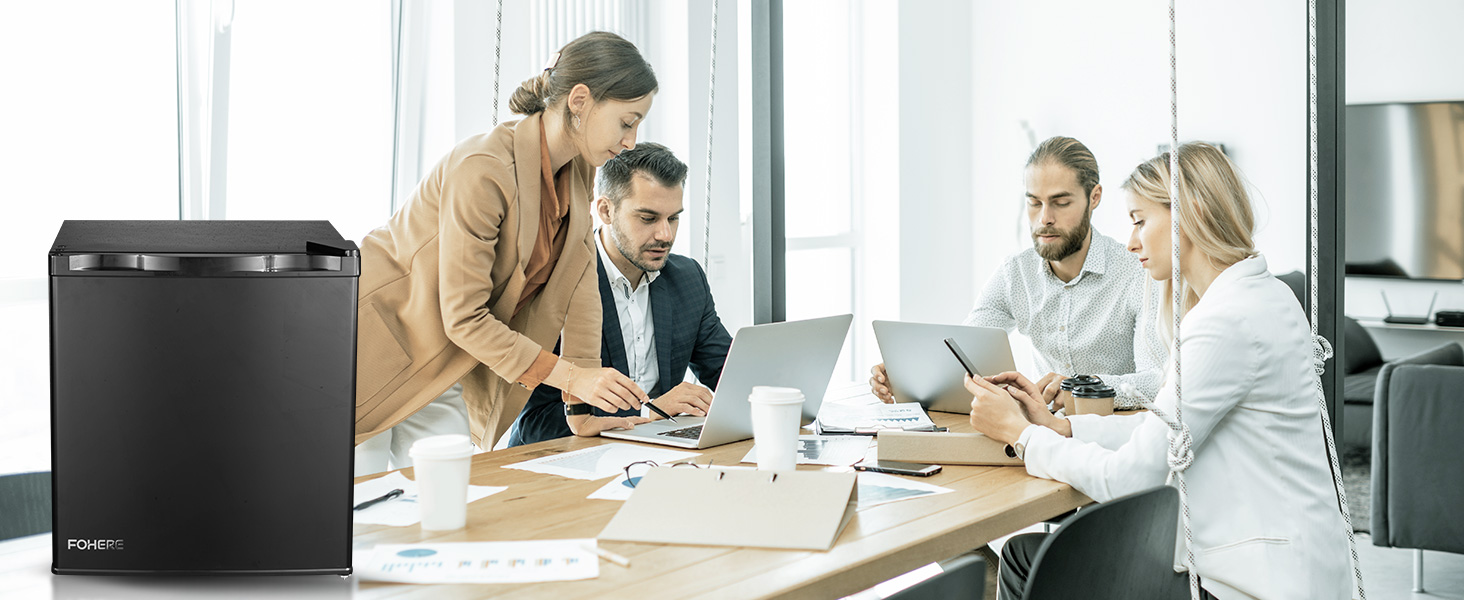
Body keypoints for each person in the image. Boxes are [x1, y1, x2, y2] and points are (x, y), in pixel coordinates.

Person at [966, 142, 1352, 599]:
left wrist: (1024, 435)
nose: (1130, 243)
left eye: (1139, 221)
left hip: (1254, 586)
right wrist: (1063, 427)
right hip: (1292, 565)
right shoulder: (1259, 297)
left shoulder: (1223, 324)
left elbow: (1130, 479)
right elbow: (1167, 428)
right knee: (1031, 556)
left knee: (1032, 564)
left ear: (1191, 213)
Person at [353, 32, 659, 471]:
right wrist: (573, 377)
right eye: (627, 121)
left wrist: (582, 406)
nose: (631, 140)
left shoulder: (576, 172)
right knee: (360, 517)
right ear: (580, 100)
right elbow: (464, 315)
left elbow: (580, 286)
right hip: (380, 350)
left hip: (443, 366)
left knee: (449, 503)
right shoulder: (483, 169)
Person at [870, 136, 1164, 409]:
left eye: (1061, 203)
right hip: (1041, 433)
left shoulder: (1137, 271)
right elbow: (964, 350)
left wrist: (1082, 389)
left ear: (1094, 197)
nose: (1045, 218)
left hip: (1115, 437)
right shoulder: (1015, 274)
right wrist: (908, 373)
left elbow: (1156, 381)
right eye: (1034, 203)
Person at [508, 143, 733, 445]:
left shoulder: (687, 278)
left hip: (659, 456)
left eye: (673, 218)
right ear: (606, 211)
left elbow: (729, 373)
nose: (665, 235)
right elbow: (533, 422)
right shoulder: (553, 282)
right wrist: (648, 411)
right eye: (648, 218)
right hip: (565, 463)